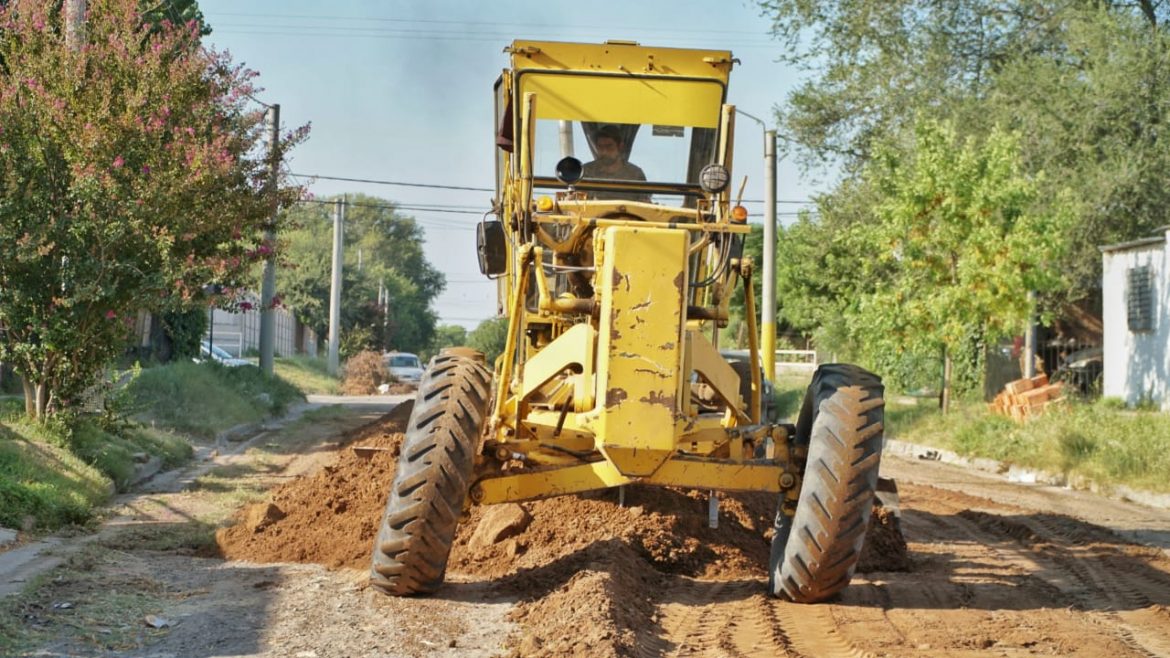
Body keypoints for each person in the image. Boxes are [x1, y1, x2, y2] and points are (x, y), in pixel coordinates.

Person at [582, 125, 649, 202]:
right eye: (600, 147)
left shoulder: (635, 174)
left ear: (620, 147)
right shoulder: (585, 172)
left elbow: (644, 203)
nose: (604, 152)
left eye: (609, 146)